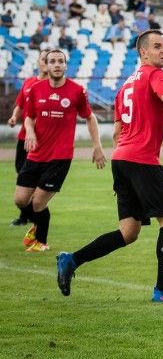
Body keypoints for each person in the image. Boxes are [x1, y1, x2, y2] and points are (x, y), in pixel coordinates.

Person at [56, 30, 163, 301]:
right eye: (157, 46)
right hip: (143, 160)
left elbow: (117, 134)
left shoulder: (124, 87)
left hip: (122, 159)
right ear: (143, 53)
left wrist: (123, 177)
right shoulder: (155, 75)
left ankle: (71, 260)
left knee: (128, 232)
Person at [14, 50, 105, 252]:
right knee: (20, 199)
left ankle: (41, 241)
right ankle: (37, 224)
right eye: (52, 61)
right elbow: (28, 117)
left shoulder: (77, 91)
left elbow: (90, 117)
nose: (56, 65)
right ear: (46, 65)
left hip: (60, 156)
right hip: (36, 153)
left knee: (38, 201)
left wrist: (97, 146)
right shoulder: (36, 89)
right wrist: (29, 131)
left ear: (65, 66)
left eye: (60, 61)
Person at [7, 51, 49, 227]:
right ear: (39, 62)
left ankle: (35, 217)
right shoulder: (29, 82)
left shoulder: (53, 86)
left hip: (42, 142)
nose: (47, 62)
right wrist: (14, 117)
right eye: (44, 59)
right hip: (23, 138)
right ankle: (26, 216)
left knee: (35, 181)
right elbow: (20, 104)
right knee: (21, 177)